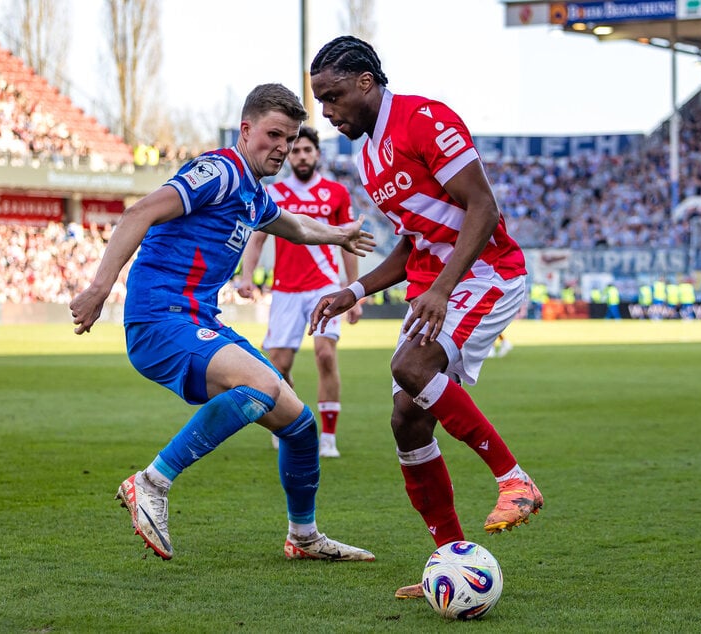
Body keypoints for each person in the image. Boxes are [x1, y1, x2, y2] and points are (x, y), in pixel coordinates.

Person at [69, 83, 376, 563]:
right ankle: (150, 482)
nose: (282, 147)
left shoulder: (254, 193)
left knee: (298, 424)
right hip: (161, 320)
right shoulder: (219, 172)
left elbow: (293, 226)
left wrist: (338, 234)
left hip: (197, 320)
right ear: (246, 129)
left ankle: (304, 536)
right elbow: (139, 213)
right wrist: (99, 289)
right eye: (274, 134)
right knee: (261, 387)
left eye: (290, 138)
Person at [308, 36, 543, 600]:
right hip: (440, 285)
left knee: (411, 366)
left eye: (333, 96)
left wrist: (438, 289)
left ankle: (515, 480)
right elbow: (412, 244)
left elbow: (484, 209)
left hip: (486, 275)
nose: (327, 112)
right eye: (320, 101)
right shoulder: (368, 155)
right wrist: (355, 288)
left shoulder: (424, 119)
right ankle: (454, 560)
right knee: (406, 421)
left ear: (366, 81)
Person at [238, 125, 362, 458]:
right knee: (277, 365)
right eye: (296, 150)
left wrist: (354, 292)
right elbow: (258, 238)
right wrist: (247, 275)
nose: (302, 156)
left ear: (317, 154)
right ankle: (286, 422)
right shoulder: (274, 193)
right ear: (288, 155)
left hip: (325, 287)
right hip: (286, 291)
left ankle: (329, 437)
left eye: (307, 150)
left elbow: (348, 245)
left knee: (325, 354)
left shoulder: (336, 193)